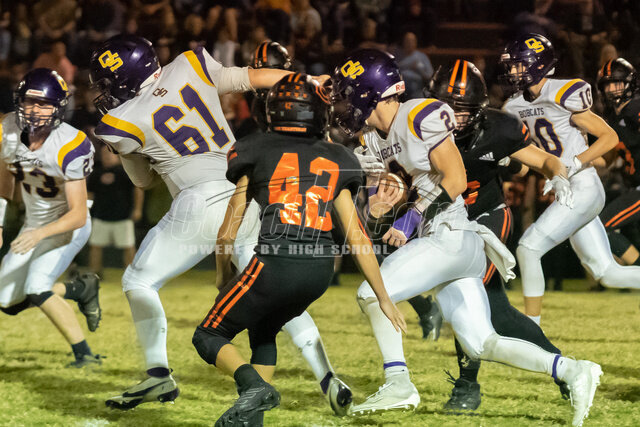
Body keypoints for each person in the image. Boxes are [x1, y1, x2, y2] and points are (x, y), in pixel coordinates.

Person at [332, 49, 601, 427]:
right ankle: (572, 370)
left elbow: (456, 179)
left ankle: (398, 382)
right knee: (481, 342)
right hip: (448, 243)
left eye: (348, 94)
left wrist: (411, 217)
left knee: (371, 294)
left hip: (452, 233)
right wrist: (380, 208)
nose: (344, 104)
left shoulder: (418, 114)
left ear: (369, 92)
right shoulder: (372, 140)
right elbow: (381, 206)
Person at [89, 34, 344, 412]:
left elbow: (143, 181)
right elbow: (253, 78)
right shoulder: (189, 64)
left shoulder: (118, 121)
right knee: (272, 293)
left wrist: (134, 150)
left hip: (199, 201)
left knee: (138, 281)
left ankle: (158, 374)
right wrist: (309, 81)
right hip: (244, 193)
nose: (105, 92)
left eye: (107, 83)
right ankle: (327, 376)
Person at [192, 72, 405, 427]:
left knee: (208, 334)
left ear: (272, 111)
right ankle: (253, 421)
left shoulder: (255, 149)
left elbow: (228, 231)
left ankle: (253, 386)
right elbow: (356, 236)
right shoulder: (338, 156)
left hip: (275, 263)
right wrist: (383, 296)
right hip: (319, 271)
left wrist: (222, 274)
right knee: (264, 330)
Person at [411, 59, 572, 410]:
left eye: (462, 110)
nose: (451, 118)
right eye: (445, 107)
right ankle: (566, 369)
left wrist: (558, 175)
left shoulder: (498, 129)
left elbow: (543, 160)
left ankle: (467, 386)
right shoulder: (413, 128)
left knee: (467, 292)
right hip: (446, 222)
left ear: (479, 111)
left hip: (487, 217)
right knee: (498, 311)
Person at [242, 40, 355, 415]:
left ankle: (256, 393)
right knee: (275, 311)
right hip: (292, 207)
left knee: (235, 322)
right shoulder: (269, 104)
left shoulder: (301, 95)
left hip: (283, 210)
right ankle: (325, 379)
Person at [500, 33, 640, 323]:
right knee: (607, 273)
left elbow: (609, 137)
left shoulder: (562, 92)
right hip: (566, 189)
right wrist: (506, 161)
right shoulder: (513, 107)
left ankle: (532, 330)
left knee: (528, 249)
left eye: (517, 64)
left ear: (536, 64)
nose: (512, 70)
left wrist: (575, 162)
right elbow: (525, 167)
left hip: (583, 185)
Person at [0, 68, 101, 367]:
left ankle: (85, 355)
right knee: (6, 301)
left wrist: (38, 234)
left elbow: (78, 214)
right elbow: (4, 176)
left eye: (44, 103)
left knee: (36, 286)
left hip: (66, 225)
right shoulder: (6, 129)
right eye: (29, 101)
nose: (35, 109)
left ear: (58, 107)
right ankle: (79, 289)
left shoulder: (70, 144)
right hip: (34, 223)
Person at [596, 58, 640, 266]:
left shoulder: (634, 108)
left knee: (603, 226)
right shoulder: (613, 118)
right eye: (607, 85)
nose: (612, 89)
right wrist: (577, 161)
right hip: (633, 186)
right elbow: (608, 160)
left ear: (629, 84)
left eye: (617, 83)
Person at [87, 145, 144, 277]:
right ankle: (95, 274)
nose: (106, 157)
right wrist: (86, 211)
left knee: (128, 246)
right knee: (95, 245)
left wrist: (137, 209)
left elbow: (138, 190)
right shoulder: (96, 173)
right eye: (104, 154)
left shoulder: (126, 171)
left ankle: (132, 275)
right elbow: (89, 194)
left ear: (117, 155)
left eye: (109, 154)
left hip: (123, 216)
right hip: (100, 216)